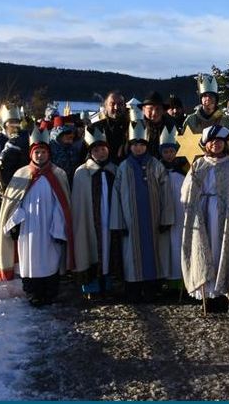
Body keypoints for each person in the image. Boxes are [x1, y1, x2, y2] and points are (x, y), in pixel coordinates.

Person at [0, 127, 74, 307]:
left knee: (51, 260)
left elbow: (63, 205)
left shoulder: (58, 174)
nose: (40, 156)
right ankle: (33, 292)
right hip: (28, 228)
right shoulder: (21, 174)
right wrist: (14, 223)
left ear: (48, 153)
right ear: (31, 154)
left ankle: (50, 292)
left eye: (43, 152)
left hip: (51, 227)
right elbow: (13, 203)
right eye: (37, 152)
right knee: (29, 261)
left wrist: (59, 225)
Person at [180, 125, 229, 313]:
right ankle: (209, 294)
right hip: (204, 213)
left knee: (223, 250)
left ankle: (225, 293)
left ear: (225, 143)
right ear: (205, 144)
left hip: (227, 216)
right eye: (212, 141)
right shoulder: (198, 165)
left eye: (219, 141)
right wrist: (192, 197)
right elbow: (186, 192)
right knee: (206, 249)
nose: (216, 145)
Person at [110, 120, 175, 303]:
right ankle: (133, 291)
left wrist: (166, 218)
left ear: (146, 146)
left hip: (154, 221)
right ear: (129, 146)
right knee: (132, 257)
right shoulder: (123, 167)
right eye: (134, 145)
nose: (138, 148)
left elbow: (166, 193)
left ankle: (151, 290)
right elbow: (116, 195)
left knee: (154, 255)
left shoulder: (156, 165)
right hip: (131, 223)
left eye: (141, 145)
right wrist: (119, 223)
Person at [71, 127, 119, 299]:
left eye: (103, 149)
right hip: (90, 222)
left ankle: (107, 284)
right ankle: (91, 287)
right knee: (89, 249)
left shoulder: (115, 170)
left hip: (110, 219)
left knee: (108, 249)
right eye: (96, 150)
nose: (100, 153)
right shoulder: (82, 173)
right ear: (90, 152)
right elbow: (78, 206)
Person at [158, 126, 190, 295]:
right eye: (166, 152)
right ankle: (168, 282)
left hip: (181, 213)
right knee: (167, 247)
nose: (169, 155)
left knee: (180, 245)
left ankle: (181, 283)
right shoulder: (157, 169)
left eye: (172, 151)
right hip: (165, 214)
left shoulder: (183, 170)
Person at [0, 104, 29, 190]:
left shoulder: (20, 137)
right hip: (6, 184)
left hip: (22, 180)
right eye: (11, 122)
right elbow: (2, 164)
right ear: (5, 124)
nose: (15, 125)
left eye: (17, 122)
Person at [138, 91, 179, 158]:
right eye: (150, 109)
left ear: (163, 110)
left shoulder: (171, 126)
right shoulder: (137, 127)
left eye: (158, 109)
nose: (154, 113)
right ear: (143, 109)